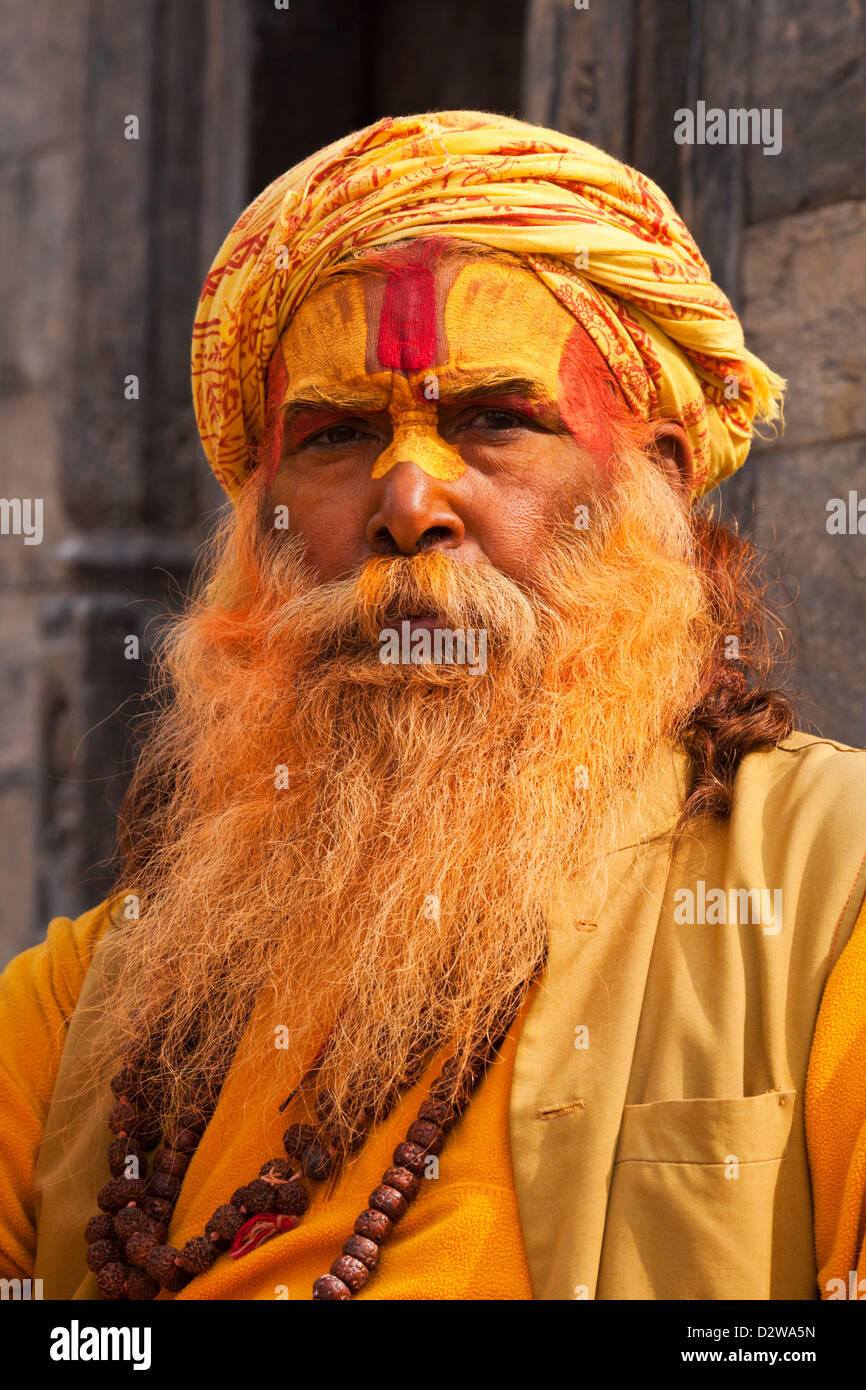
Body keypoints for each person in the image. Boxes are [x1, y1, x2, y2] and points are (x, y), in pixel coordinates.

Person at [1, 110, 864, 1302]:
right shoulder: (91, 1003)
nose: (407, 499)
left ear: (653, 477)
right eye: (337, 434)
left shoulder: (829, 898)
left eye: (493, 420)